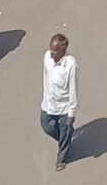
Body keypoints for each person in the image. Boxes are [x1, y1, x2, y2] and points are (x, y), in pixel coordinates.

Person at [40, 34, 78, 172]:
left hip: (64, 108)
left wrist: (72, 112)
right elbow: (45, 77)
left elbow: (73, 88)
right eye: (51, 49)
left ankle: (61, 157)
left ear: (63, 50)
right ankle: (65, 138)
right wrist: (45, 97)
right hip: (49, 104)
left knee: (65, 130)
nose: (52, 52)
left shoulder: (70, 65)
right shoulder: (46, 57)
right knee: (46, 126)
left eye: (55, 50)